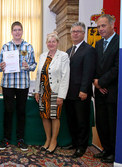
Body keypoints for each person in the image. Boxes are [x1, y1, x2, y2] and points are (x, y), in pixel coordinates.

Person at [0, 21, 37, 151]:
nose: (17, 32)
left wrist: (28, 66)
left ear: (22, 31)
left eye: (19, 29)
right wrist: (2, 66)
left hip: (22, 84)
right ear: (11, 32)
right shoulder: (6, 47)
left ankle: (20, 139)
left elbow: (34, 65)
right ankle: (6, 138)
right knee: (8, 112)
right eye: (15, 30)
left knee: (21, 112)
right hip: (8, 84)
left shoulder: (29, 47)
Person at [34, 32, 70, 154]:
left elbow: (65, 76)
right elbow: (38, 74)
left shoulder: (63, 56)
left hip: (55, 91)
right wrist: (37, 91)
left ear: (57, 43)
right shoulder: (43, 56)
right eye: (49, 42)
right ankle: (48, 139)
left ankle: (54, 141)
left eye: (53, 41)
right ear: (46, 43)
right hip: (43, 91)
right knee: (45, 116)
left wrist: (61, 95)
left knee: (54, 117)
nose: (51, 44)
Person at [64, 22, 96, 158]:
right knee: (71, 119)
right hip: (69, 92)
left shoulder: (89, 50)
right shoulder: (68, 51)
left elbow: (88, 72)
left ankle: (82, 147)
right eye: (73, 32)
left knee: (82, 121)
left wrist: (84, 90)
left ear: (83, 34)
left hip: (81, 93)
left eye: (78, 31)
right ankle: (75, 143)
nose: (75, 34)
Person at [93, 14, 119, 163]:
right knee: (101, 122)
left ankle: (114, 152)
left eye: (103, 26)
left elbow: (117, 68)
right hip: (99, 90)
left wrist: (101, 82)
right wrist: (96, 83)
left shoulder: (119, 42)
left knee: (112, 123)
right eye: (98, 26)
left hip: (112, 91)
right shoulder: (97, 44)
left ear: (112, 25)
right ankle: (106, 149)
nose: (100, 29)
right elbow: (95, 66)